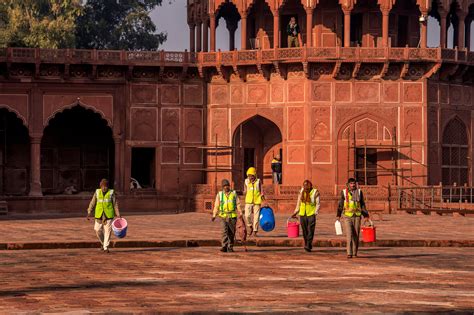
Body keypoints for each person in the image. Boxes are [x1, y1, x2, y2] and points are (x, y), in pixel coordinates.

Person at [336, 178, 370, 258]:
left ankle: (354, 253)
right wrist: (338, 215)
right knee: (349, 234)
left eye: (354, 183)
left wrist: (365, 215)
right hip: (347, 216)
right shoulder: (344, 192)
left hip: (357, 216)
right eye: (351, 183)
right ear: (348, 184)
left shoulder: (359, 192)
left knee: (356, 235)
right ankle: (349, 253)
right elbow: (341, 204)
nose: (353, 185)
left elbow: (362, 204)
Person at [86, 179, 121, 253]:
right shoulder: (97, 192)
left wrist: (118, 214)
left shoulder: (111, 192)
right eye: (103, 186)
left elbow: (115, 204)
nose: (104, 188)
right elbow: (92, 203)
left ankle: (106, 247)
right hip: (99, 214)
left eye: (105, 186)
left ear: (107, 187)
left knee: (107, 230)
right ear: (100, 186)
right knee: (97, 229)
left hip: (108, 214)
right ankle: (103, 243)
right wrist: (89, 212)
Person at [212, 179, 243, 252]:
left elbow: (238, 204)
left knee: (231, 232)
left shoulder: (234, 193)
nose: (226, 187)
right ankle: (224, 246)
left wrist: (240, 213)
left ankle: (230, 246)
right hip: (223, 215)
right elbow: (216, 205)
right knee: (224, 231)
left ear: (229, 186)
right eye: (224, 186)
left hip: (232, 216)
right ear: (222, 187)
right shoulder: (220, 195)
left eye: (227, 186)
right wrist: (214, 215)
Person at [292, 180, 320, 252]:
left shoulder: (315, 192)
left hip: (311, 214)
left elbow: (318, 203)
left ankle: (308, 245)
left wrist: (315, 212)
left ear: (310, 186)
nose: (306, 187)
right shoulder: (301, 191)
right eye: (304, 186)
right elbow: (299, 202)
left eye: (307, 186)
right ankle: (307, 244)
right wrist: (295, 212)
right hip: (302, 213)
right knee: (304, 231)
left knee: (310, 230)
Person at [243, 167, 265, 237]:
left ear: (255, 175)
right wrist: (244, 192)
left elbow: (261, 191)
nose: (250, 177)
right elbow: (245, 190)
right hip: (248, 201)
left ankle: (255, 230)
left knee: (256, 216)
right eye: (249, 175)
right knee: (247, 215)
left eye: (252, 175)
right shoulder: (246, 181)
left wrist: (263, 200)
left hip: (257, 200)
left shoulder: (258, 181)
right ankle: (250, 226)